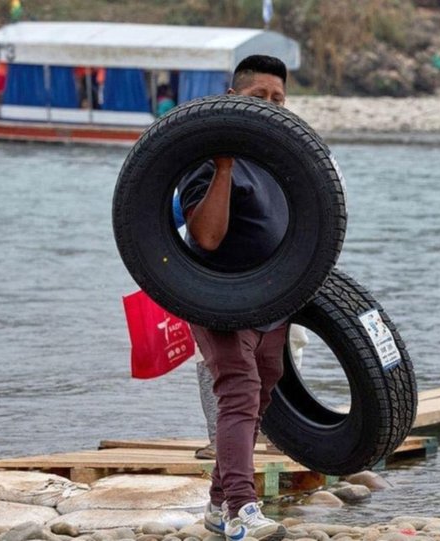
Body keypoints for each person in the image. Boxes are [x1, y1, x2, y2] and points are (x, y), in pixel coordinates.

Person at [178, 54, 289, 541]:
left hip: (271, 297)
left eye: (278, 99)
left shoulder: (283, 161)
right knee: (239, 389)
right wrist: (224, 166)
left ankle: (218, 503)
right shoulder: (203, 158)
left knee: (265, 383)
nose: (269, 106)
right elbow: (206, 237)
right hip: (216, 293)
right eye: (257, 97)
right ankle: (243, 511)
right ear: (231, 100)